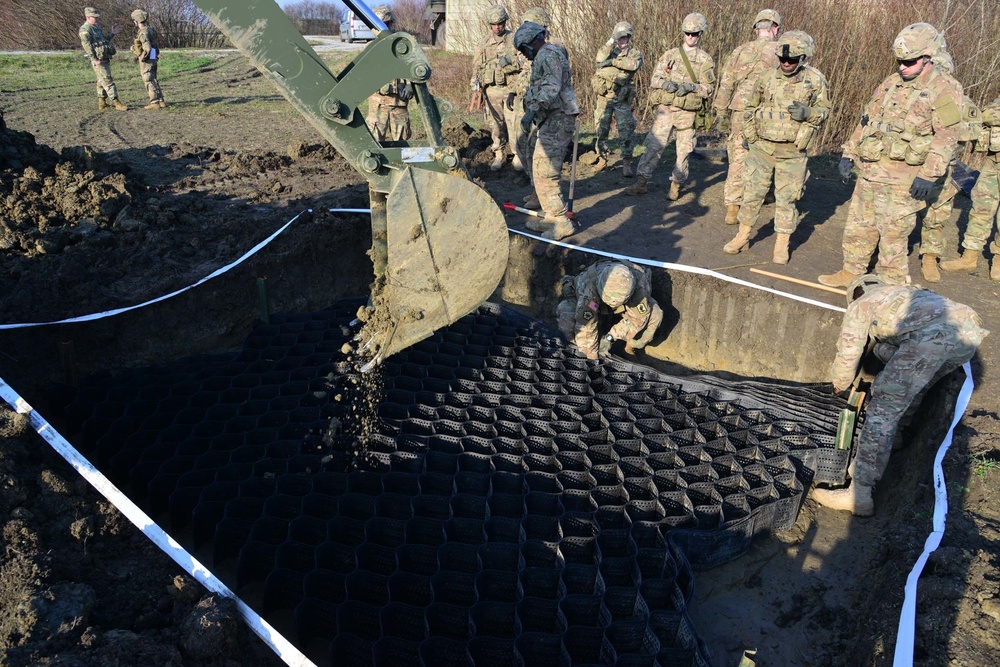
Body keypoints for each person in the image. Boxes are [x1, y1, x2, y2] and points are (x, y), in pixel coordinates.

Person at [812, 275, 988, 516]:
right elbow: (897, 346)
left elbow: (848, 352)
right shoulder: (904, 293)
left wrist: (840, 384)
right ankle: (897, 437)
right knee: (917, 385)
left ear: (855, 294)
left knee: (882, 411)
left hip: (930, 340)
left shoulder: (862, 305)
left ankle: (859, 494)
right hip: (967, 335)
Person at [818, 23, 963, 288]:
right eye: (899, 61)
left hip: (905, 178)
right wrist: (849, 154)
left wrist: (929, 175)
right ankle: (851, 271)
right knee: (859, 226)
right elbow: (867, 119)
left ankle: (890, 286)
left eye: (909, 61)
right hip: (871, 170)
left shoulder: (945, 88)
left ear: (927, 57)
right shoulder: (891, 82)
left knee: (894, 235)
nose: (902, 67)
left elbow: (947, 136)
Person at [722, 30, 830, 264]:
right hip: (762, 150)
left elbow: (825, 111)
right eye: (782, 59)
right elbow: (750, 107)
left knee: (786, 199)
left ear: (803, 59)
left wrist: (808, 113)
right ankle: (743, 235)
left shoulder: (814, 80)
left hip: (792, 153)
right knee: (751, 194)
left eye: (792, 60)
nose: (786, 63)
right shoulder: (766, 77)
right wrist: (751, 136)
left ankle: (782, 245)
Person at [625, 13, 715, 201]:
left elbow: (709, 89)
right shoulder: (670, 55)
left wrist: (692, 87)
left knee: (684, 149)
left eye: (695, 33)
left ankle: (676, 184)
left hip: (687, 112)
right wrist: (666, 84)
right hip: (666, 109)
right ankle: (642, 181)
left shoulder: (705, 59)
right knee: (653, 145)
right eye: (688, 33)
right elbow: (655, 79)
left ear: (700, 34)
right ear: (683, 33)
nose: (691, 37)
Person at [916, 47, 980, 283]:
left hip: (943, 167)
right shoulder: (916, 95)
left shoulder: (962, 100)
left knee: (937, 214)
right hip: (911, 163)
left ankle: (930, 257)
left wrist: (950, 129)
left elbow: (972, 131)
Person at [713, 9, 781, 225]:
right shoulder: (782, 51)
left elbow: (726, 83)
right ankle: (767, 193)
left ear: (756, 29)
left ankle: (733, 205)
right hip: (770, 111)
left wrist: (721, 111)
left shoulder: (740, 51)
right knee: (770, 152)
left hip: (741, 109)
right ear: (775, 28)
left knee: (739, 154)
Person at [514, 20, 580, 241]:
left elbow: (552, 88)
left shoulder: (547, 54)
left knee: (545, 170)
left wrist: (531, 111)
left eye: (523, 49)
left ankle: (561, 222)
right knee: (538, 165)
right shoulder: (545, 54)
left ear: (532, 41)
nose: (524, 54)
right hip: (552, 117)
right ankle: (551, 217)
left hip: (558, 118)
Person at [940, 96, 1000, 281]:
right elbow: (988, 114)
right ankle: (969, 256)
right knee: (980, 207)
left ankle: (998, 260)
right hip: (993, 160)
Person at [556, 261, 663, 360]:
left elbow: (638, 320)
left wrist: (610, 338)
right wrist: (591, 359)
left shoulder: (639, 285)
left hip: (623, 307)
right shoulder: (588, 289)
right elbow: (585, 329)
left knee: (655, 315)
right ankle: (576, 347)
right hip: (594, 304)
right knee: (566, 318)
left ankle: (629, 346)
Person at [472, 6, 522, 171]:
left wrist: (509, 64)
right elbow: (477, 66)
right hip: (492, 90)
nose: (497, 27)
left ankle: (517, 155)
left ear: (505, 22)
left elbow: (523, 61)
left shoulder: (514, 39)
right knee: (496, 125)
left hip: (511, 89)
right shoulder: (484, 43)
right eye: (494, 24)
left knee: (514, 123)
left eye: (500, 23)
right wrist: (476, 83)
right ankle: (499, 154)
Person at [591, 21, 643, 176]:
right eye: (619, 38)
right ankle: (602, 159)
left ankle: (627, 162)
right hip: (605, 98)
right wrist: (611, 41)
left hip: (622, 100)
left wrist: (612, 63)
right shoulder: (609, 51)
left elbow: (632, 65)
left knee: (626, 131)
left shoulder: (634, 53)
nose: (622, 41)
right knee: (601, 129)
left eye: (625, 38)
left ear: (629, 38)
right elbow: (599, 59)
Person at [366, 7, 414, 142]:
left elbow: (413, 69)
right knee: (375, 142)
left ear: (391, 24)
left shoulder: (403, 46)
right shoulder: (371, 48)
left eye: (385, 24)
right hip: (377, 104)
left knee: (401, 145)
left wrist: (410, 86)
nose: (382, 28)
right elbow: (363, 77)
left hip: (399, 103)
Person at [79, 7, 127, 111]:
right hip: (98, 59)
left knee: (100, 80)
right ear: (87, 17)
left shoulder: (96, 28)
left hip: (104, 57)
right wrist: (94, 59)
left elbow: (104, 40)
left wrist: (112, 33)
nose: (96, 19)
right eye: (94, 17)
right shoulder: (85, 30)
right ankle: (116, 102)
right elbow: (87, 46)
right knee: (107, 80)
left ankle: (102, 102)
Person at [130, 9, 165, 110]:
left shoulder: (143, 32)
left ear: (136, 21)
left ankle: (154, 102)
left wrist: (142, 57)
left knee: (148, 79)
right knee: (154, 78)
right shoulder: (150, 29)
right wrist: (153, 57)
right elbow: (154, 46)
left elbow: (148, 48)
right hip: (153, 56)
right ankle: (161, 100)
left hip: (148, 59)